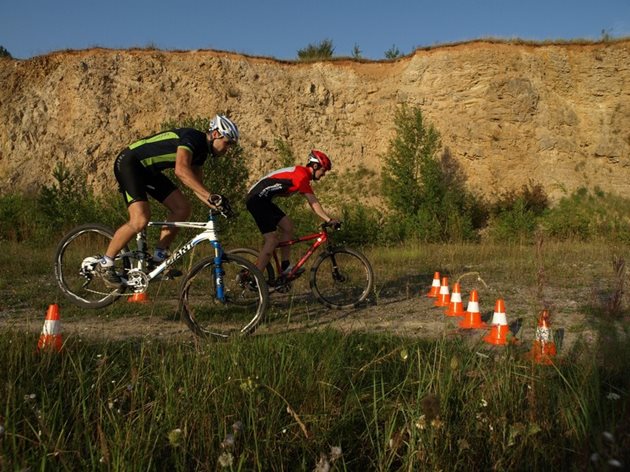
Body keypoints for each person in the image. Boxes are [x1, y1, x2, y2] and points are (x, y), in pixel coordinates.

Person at [97, 114, 239, 287]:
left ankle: (157, 258)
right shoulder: (194, 139)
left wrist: (218, 204)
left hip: (149, 172)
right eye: (228, 143)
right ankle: (106, 263)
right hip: (130, 164)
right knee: (140, 219)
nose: (228, 149)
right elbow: (181, 170)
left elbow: (197, 187)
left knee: (182, 208)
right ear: (216, 134)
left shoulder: (202, 154)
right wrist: (210, 196)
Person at [246, 150, 339, 278]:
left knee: (288, 226)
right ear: (316, 166)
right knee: (272, 240)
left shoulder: (301, 174)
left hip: (263, 199)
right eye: (324, 170)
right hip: (257, 199)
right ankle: (254, 277)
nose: (324, 174)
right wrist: (329, 219)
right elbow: (313, 202)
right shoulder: (301, 175)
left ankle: (285, 267)